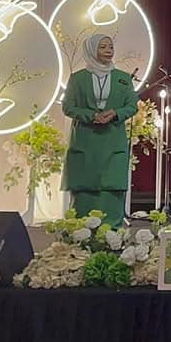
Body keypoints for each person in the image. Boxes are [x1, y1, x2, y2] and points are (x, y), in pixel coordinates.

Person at [61, 34, 138, 227]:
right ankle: (81, 234)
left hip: (113, 141)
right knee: (84, 191)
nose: (108, 51)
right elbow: (68, 107)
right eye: (103, 47)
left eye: (110, 47)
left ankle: (112, 234)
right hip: (86, 141)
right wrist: (91, 115)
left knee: (111, 189)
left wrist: (116, 113)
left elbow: (132, 105)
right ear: (92, 50)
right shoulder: (77, 78)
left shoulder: (123, 78)